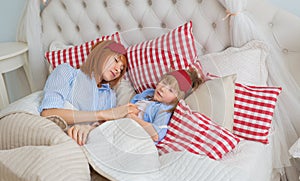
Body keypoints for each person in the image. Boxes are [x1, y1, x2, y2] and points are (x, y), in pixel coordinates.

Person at [67, 68, 203, 146]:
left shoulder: (164, 109)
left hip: (133, 136)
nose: (163, 88)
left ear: (176, 100)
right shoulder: (147, 94)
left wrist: (133, 118)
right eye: (164, 82)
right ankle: (87, 131)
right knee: (97, 127)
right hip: (119, 124)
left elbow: (156, 135)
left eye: (171, 90)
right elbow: (129, 107)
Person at [39, 40, 139, 138]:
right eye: (116, 60)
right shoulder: (67, 72)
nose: (118, 70)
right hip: (53, 132)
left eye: (122, 69)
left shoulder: (109, 95)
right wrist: (101, 114)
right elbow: (48, 113)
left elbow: (102, 127)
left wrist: (88, 128)